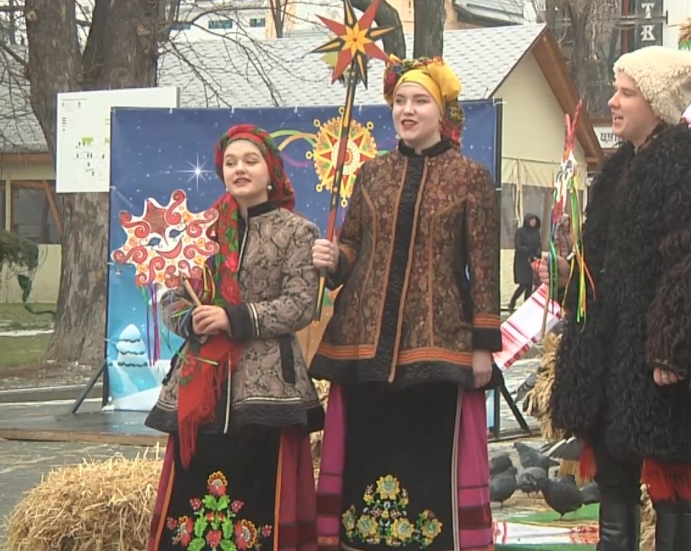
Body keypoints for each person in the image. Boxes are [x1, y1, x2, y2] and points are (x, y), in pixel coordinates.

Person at [538, 45, 691, 551]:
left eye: (627, 92)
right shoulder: (615, 171)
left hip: (654, 352)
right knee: (613, 471)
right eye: (616, 90)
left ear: (657, 103)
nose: (614, 101)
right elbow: (603, 262)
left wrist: (672, 346)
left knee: (668, 471)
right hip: (607, 351)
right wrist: (569, 279)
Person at [309, 56, 500, 551]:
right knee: (369, 461)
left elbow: (483, 266)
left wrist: (484, 345)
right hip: (363, 347)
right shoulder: (371, 174)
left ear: (443, 113)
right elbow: (354, 247)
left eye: (420, 101)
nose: (407, 111)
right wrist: (334, 260)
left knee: (427, 465)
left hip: (437, 348)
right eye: (399, 102)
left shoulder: (470, 178)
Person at [146, 124, 322, 551]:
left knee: (259, 493)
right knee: (194, 497)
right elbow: (172, 294)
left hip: (267, 388)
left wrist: (232, 317)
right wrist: (192, 319)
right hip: (202, 385)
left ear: (271, 171)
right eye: (230, 163)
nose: (239, 169)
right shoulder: (204, 232)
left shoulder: (297, 232)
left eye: (250, 161)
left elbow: (301, 305)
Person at [509, 213, 542, 311]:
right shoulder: (520, 232)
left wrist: (538, 252)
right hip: (522, 261)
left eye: (534, 220)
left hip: (532, 261)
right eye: (532, 220)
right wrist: (526, 250)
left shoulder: (536, 233)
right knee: (523, 284)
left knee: (529, 285)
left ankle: (526, 306)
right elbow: (517, 245)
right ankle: (512, 302)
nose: (534, 222)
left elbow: (539, 244)